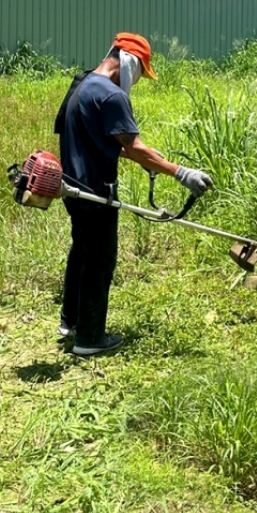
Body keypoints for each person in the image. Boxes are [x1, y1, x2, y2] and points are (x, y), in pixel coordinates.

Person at [56, 33, 213, 356]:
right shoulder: (112, 96)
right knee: (99, 262)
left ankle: (70, 321)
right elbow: (134, 145)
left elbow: (101, 140)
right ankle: (89, 339)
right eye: (142, 70)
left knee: (81, 254)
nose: (139, 79)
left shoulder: (82, 85)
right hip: (96, 193)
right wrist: (181, 172)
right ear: (129, 60)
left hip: (72, 188)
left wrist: (146, 161)